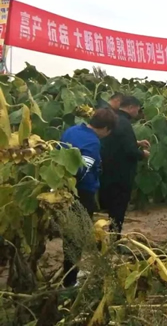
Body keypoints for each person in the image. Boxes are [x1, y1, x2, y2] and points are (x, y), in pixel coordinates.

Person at [60, 108, 118, 287]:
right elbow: (83, 170)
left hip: (63, 190)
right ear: (106, 128)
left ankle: (69, 274)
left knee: (69, 235)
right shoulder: (93, 142)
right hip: (81, 193)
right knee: (76, 237)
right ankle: (70, 281)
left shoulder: (72, 131)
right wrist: (75, 187)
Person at [99, 96, 150, 235]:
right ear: (131, 107)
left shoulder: (113, 118)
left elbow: (116, 140)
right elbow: (129, 150)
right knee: (118, 209)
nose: (137, 113)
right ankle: (114, 238)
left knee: (112, 207)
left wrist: (137, 142)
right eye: (137, 109)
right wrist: (142, 154)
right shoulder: (125, 123)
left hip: (108, 169)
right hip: (121, 174)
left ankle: (111, 235)